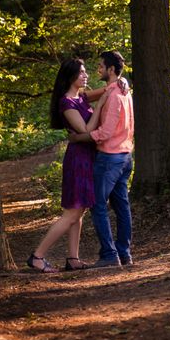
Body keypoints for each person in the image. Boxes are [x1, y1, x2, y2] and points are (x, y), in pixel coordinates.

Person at [26, 58, 121, 273]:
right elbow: (85, 131)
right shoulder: (67, 102)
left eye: (86, 71)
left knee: (80, 212)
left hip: (89, 157)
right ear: (70, 77)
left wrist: (122, 82)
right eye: (81, 73)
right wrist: (101, 104)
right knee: (71, 213)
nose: (86, 75)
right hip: (78, 160)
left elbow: (110, 86)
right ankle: (37, 256)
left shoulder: (82, 97)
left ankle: (73, 258)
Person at [69, 51, 135, 269]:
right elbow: (84, 97)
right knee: (121, 206)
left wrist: (80, 137)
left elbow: (105, 132)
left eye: (100, 66)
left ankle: (109, 254)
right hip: (124, 156)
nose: (97, 69)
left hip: (110, 157)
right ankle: (123, 254)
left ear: (111, 70)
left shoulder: (116, 94)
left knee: (98, 204)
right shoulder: (121, 90)